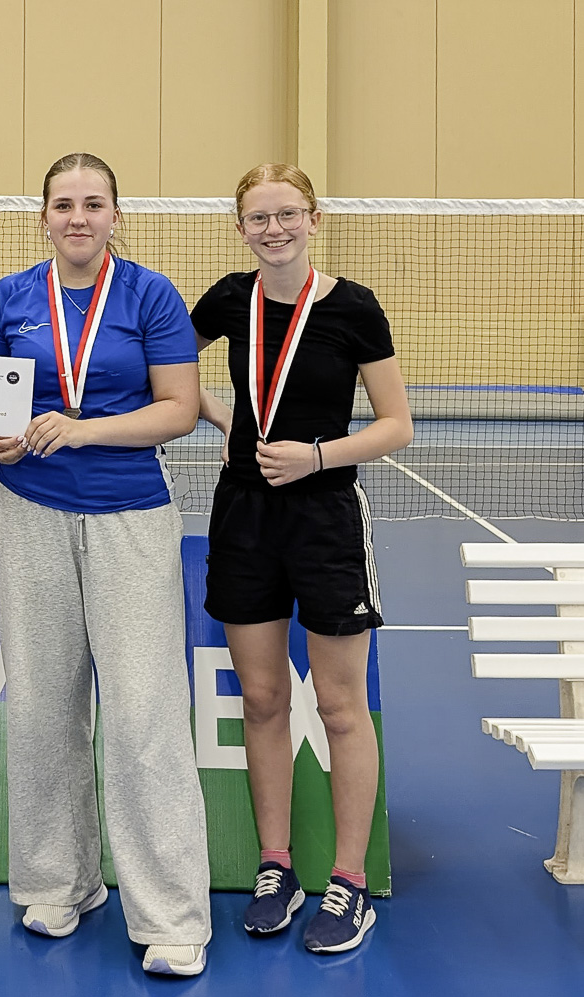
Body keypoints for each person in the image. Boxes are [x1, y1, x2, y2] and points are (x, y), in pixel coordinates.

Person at [0, 152, 212, 976]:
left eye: (93, 204)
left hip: (129, 518)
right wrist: (7, 438)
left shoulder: (150, 294)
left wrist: (78, 427)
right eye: (63, 204)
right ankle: (58, 881)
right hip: (26, 512)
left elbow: (179, 409)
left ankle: (172, 914)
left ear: (116, 214)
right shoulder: (10, 298)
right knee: (42, 706)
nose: (78, 218)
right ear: (42, 215)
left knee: (145, 715)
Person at [191, 163, 412, 954]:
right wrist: (229, 427)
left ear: (313, 218)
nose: (274, 229)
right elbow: (166, 374)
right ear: (241, 226)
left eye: (287, 214)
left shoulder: (352, 307)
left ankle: (348, 883)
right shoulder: (227, 300)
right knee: (261, 701)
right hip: (244, 519)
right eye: (259, 217)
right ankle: (276, 866)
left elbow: (397, 425)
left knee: (340, 707)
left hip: (325, 519)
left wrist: (317, 458)